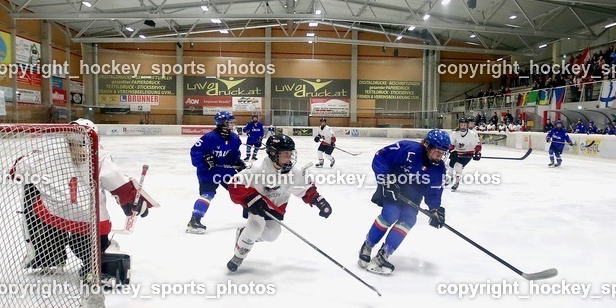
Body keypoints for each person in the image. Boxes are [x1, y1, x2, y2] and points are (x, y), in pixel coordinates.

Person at [10, 119, 153, 272]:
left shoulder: (47, 153)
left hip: (54, 216)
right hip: (91, 221)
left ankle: (48, 252)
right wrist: (134, 203)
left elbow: (15, 172)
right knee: (88, 243)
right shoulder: (100, 155)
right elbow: (119, 184)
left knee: (32, 192)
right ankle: (97, 261)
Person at [225, 134, 332, 272]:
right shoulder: (258, 168)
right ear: (273, 153)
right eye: (285, 154)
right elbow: (234, 183)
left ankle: (244, 235)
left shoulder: (294, 172)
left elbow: (305, 188)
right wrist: (249, 199)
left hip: (276, 208)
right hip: (257, 205)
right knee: (256, 227)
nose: (290, 157)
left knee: (272, 234)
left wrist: (319, 201)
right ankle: (239, 255)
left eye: (291, 153)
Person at [358, 129, 450, 276]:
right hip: (393, 187)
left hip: (413, 195)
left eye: (443, 153)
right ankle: (367, 246)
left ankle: (383, 255)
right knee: (390, 214)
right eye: (437, 151)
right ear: (427, 145)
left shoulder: (439, 169)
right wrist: (385, 180)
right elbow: (380, 157)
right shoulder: (409, 150)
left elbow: (434, 191)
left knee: (409, 219)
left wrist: (435, 209)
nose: (440, 156)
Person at [187, 111, 245, 234]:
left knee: (241, 189)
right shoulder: (209, 138)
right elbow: (195, 152)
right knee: (207, 194)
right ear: (222, 123)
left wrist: (237, 162)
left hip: (225, 170)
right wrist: (205, 161)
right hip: (208, 172)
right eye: (230, 122)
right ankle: (194, 221)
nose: (232, 124)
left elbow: (234, 154)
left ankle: (251, 211)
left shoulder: (234, 138)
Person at [448, 116, 481, 191]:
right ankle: (449, 178)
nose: (463, 127)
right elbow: (451, 144)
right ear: (459, 125)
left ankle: (456, 182)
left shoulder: (472, 134)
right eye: (461, 125)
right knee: (449, 166)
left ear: (467, 125)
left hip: (467, 153)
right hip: (457, 152)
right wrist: (451, 151)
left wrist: (477, 152)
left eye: (465, 125)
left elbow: (477, 145)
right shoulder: (454, 133)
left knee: (458, 166)